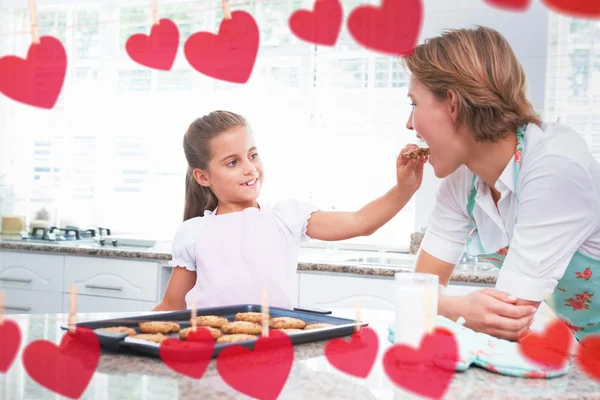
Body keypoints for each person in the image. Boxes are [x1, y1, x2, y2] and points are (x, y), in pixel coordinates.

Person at [403, 25, 600, 342]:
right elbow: (415, 293)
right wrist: (460, 307)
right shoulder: (463, 179)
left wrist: (447, 306)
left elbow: (507, 318)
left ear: (452, 104)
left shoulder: (555, 165)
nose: (409, 123)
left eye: (414, 104)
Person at [154, 110, 427, 311]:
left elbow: (361, 222)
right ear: (203, 177)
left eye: (252, 155)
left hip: (271, 350)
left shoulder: (285, 218)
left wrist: (404, 189)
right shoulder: (193, 232)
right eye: (232, 162)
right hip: (208, 353)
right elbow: (171, 304)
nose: (249, 168)